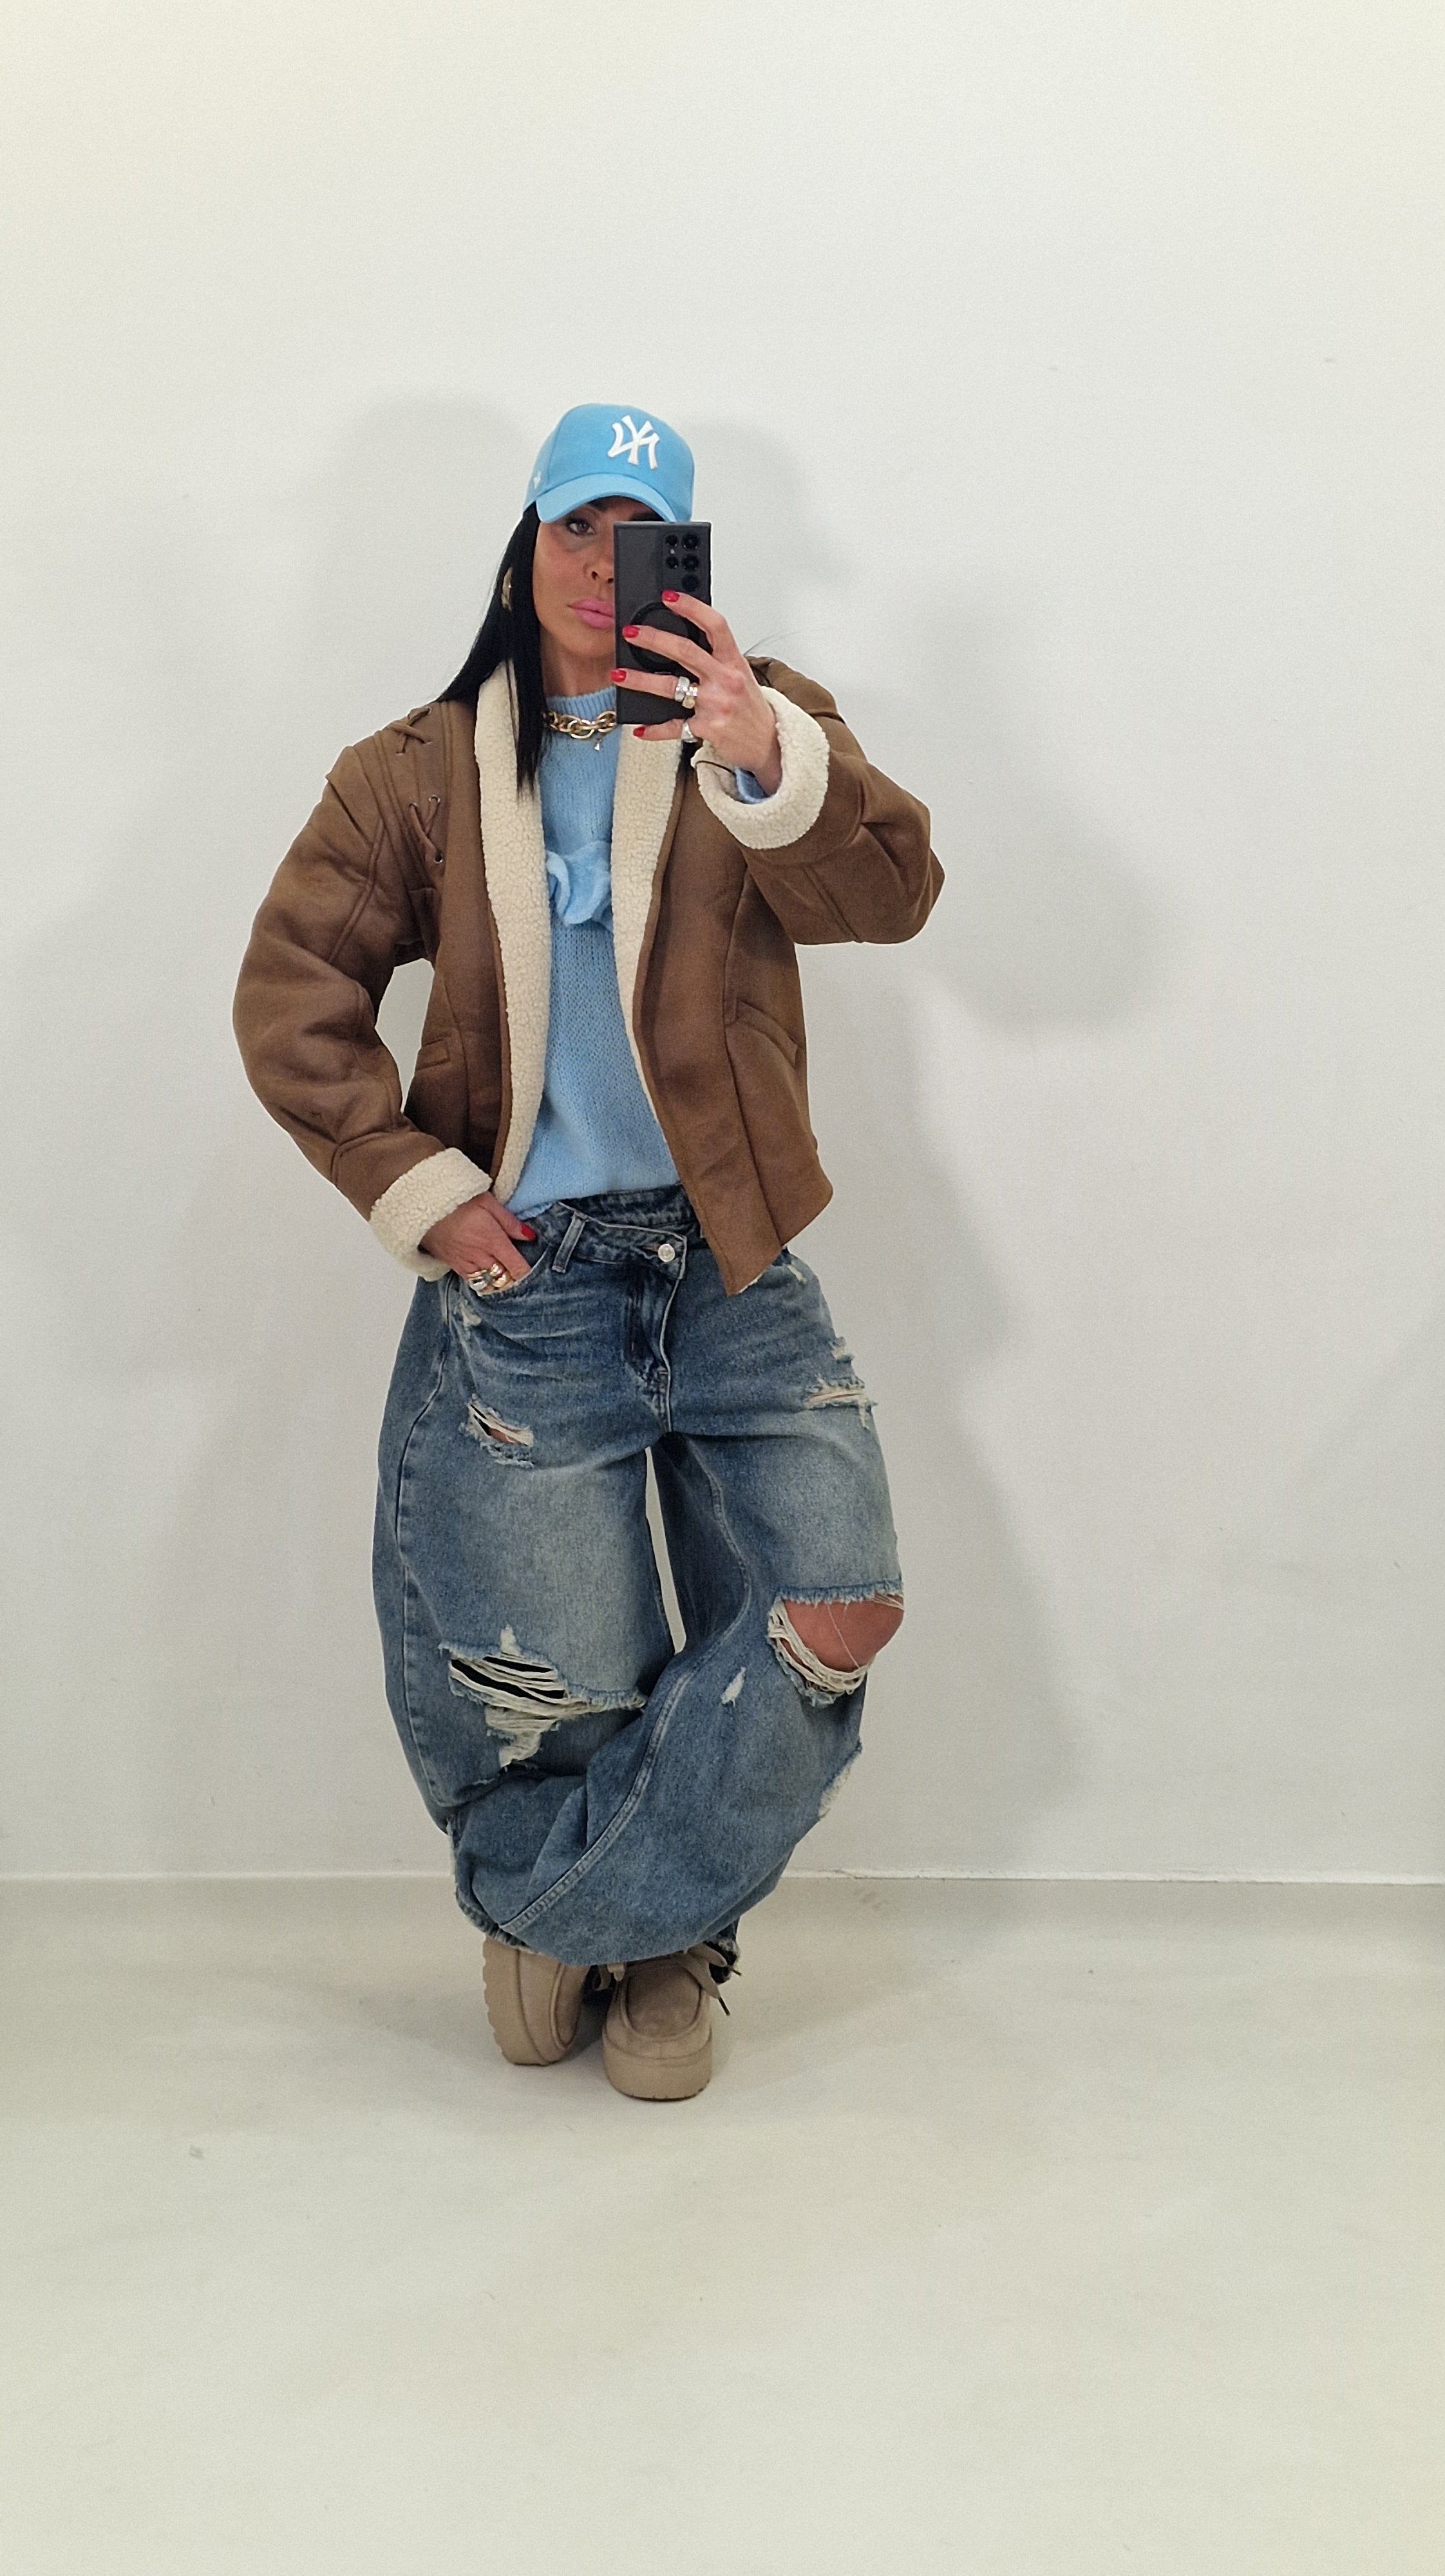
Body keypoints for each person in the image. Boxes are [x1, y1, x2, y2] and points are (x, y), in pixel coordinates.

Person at [234, 402, 941, 2099]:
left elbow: (891, 896)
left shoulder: (750, 718)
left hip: (732, 1256)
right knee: (567, 1671)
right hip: (530, 1277)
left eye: (639, 536)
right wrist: (422, 1188)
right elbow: (291, 997)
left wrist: (759, 754)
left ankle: (565, 1915)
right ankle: (665, 1952)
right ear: (524, 546)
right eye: (572, 526)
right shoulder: (411, 772)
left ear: (680, 563)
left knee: (838, 1601)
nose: (596, 565)